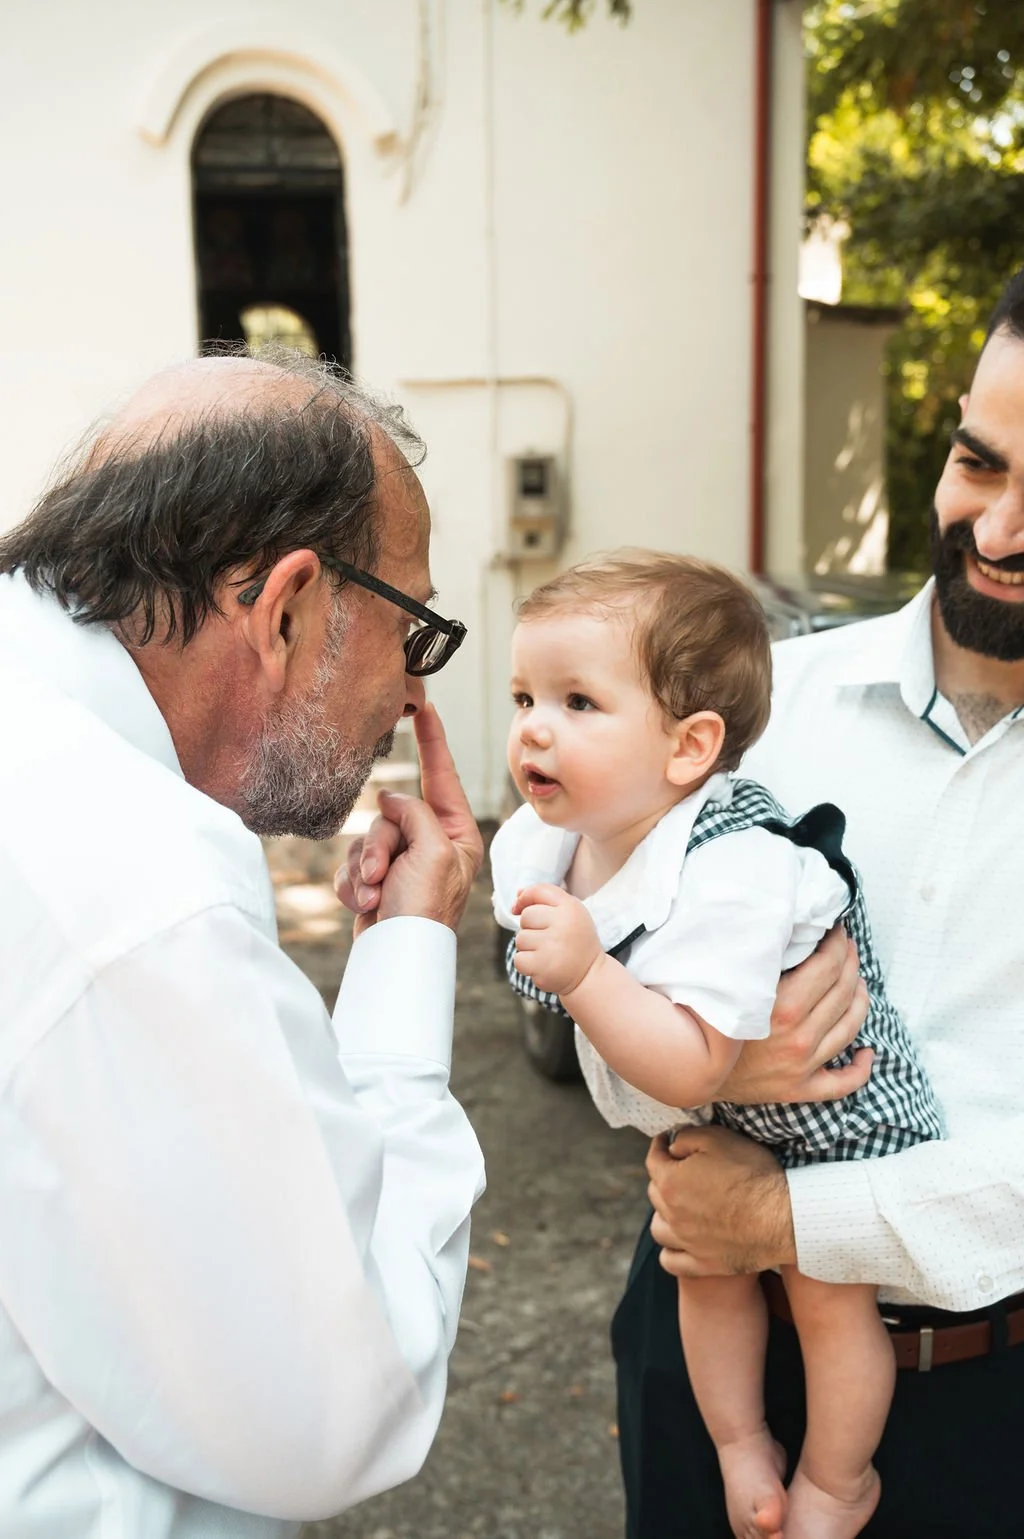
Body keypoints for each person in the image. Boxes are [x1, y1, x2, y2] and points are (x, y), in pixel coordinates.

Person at [0, 348, 486, 1538]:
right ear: (288, 608)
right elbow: (331, 1415)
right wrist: (407, 959)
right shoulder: (132, 883)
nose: (409, 700)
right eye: (410, 630)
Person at [612, 268, 1024, 1539]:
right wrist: (701, 1060)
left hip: (988, 1411)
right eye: (979, 463)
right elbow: (607, 1009)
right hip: (707, 1353)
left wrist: (790, 1215)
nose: (999, 531)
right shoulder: (757, 711)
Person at [487, 553, 941, 1539]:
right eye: (524, 694)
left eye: (576, 701)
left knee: (828, 1300)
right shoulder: (549, 840)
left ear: (689, 746)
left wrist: (586, 977)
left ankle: (834, 1480)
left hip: (831, 1111)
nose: (532, 726)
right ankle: (740, 1445)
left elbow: (693, 1061)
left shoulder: (736, 864)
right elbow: (578, 1017)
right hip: (716, 1112)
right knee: (703, 1263)